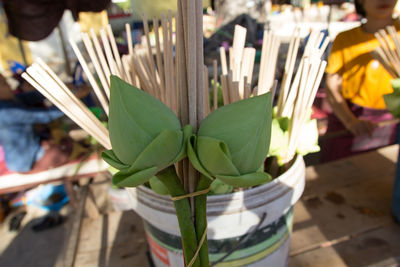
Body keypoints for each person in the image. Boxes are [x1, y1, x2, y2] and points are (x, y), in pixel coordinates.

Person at [323, 0, 399, 222]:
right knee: (341, 186)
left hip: (390, 121)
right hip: (351, 117)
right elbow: (332, 84)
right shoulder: (345, 39)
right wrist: (350, 121)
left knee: (380, 181)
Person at [0, 73, 66, 172]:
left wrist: (59, 90)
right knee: (62, 152)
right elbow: (45, 115)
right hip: (25, 162)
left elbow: (33, 96)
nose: (9, 85)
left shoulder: (9, 101)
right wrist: (69, 102)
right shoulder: (6, 112)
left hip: (29, 152)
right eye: (4, 84)